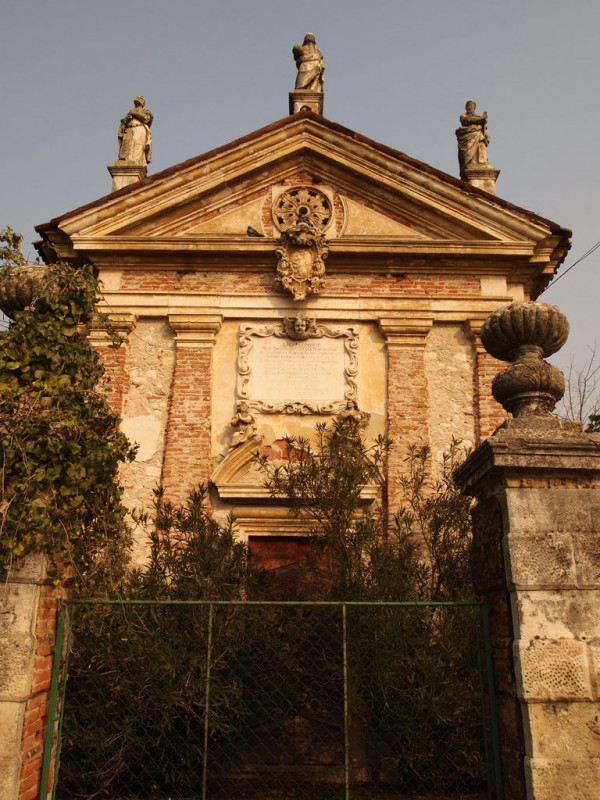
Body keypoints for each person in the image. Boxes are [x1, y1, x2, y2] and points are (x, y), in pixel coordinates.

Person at [117, 96, 153, 165]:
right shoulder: (130, 111)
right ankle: (125, 160)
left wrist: (134, 113)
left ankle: (136, 161)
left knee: (137, 145)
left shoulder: (145, 111)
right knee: (127, 145)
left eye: (141, 99)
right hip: (129, 129)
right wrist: (126, 120)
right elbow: (124, 122)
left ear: (143, 103)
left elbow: (145, 119)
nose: (138, 99)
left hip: (139, 128)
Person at [455, 100, 489, 173]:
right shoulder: (463, 116)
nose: (470, 107)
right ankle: (471, 163)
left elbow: (484, 128)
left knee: (481, 144)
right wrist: (482, 118)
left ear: (474, 108)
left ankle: (481, 162)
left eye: (472, 106)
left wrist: (483, 122)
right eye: (468, 106)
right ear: (466, 107)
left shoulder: (478, 117)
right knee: (468, 154)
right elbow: (468, 120)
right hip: (467, 137)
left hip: (478, 135)